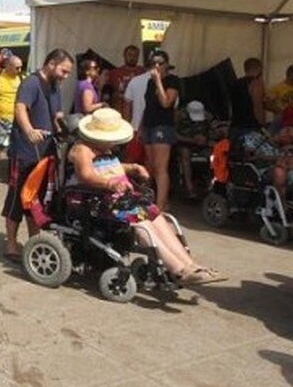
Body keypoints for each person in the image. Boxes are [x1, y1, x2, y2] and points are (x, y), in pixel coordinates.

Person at [69, 109, 224, 285]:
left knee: (157, 217)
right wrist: (110, 184)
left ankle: (190, 265)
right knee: (142, 223)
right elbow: (86, 175)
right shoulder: (83, 149)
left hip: (124, 197)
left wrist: (133, 167)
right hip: (101, 201)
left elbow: (111, 167)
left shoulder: (104, 149)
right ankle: (177, 269)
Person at [1, 48, 72, 260]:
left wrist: (66, 129)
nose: (65, 76)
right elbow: (20, 108)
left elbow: (57, 115)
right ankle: (11, 244)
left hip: (45, 152)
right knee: (16, 197)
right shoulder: (31, 83)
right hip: (25, 151)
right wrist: (29, 130)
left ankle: (34, 242)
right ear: (51, 63)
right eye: (64, 71)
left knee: (37, 198)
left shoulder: (54, 86)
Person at [140, 50, 180, 210]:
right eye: (153, 63)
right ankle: (155, 199)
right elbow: (148, 106)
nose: (156, 66)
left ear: (167, 65)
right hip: (149, 125)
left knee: (160, 166)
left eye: (160, 63)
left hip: (163, 125)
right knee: (151, 165)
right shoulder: (149, 82)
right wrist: (141, 127)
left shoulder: (172, 80)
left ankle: (161, 206)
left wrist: (158, 81)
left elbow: (166, 103)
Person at [174, 100, 217, 199]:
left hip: (203, 143)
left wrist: (208, 139)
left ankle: (213, 184)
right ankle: (190, 188)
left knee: (216, 152)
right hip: (185, 143)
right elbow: (174, 135)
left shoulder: (208, 116)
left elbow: (214, 131)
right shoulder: (179, 115)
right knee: (185, 154)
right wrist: (192, 140)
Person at [0, 55, 24, 181]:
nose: (20, 70)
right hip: (1, 119)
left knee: (16, 149)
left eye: (21, 67)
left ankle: (13, 175)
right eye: (17, 67)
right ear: (8, 66)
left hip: (17, 120)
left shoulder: (21, 78)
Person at [102, 45, 145, 120]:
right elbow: (106, 93)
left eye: (135, 55)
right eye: (130, 54)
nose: (132, 57)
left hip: (138, 114)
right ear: (124, 56)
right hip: (118, 114)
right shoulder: (114, 73)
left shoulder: (143, 72)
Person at [228, 57, 265, 143]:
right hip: (250, 127)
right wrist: (262, 125)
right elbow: (257, 106)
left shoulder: (235, 83)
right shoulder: (256, 83)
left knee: (235, 154)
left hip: (235, 126)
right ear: (259, 68)